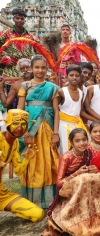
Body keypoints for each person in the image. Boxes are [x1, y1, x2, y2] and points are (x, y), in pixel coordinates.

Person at [42, 128, 100, 236]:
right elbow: (59, 183)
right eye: (77, 141)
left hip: (82, 184)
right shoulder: (66, 157)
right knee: (82, 179)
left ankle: (96, 211)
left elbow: (85, 172)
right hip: (68, 187)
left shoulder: (88, 152)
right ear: (71, 143)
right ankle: (76, 218)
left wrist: (92, 170)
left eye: (84, 140)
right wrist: (77, 173)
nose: (82, 143)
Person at [17, 55, 60, 208]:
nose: (40, 70)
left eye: (43, 67)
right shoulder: (25, 86)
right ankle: (33, 199)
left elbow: (56, 111)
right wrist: (23, 133)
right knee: (32, 160)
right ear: (31, 68)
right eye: (37, 67)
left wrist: (56, 133)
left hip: (47, 128)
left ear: (47, 69)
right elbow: (20, 111)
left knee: (49, 160)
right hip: (30, 127)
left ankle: (50, 199)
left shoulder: (53, 87)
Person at [0, 109, 43, 222]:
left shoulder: (15, 143)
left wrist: (27, 158)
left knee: (38, 214)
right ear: (7, 123)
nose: (19, 128)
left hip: (1, 194)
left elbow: (18, 171)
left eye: (23, 124)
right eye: (15, 123)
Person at [0, 8, 39, 82]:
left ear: (25, 20)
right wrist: (4, 59)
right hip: (11, 71)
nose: (19, 20)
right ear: (13, 19)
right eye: (17, 18)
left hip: (27, 71)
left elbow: (39, 51)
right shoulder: (6, 34)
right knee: (10, 92)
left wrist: (33, 61)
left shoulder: (30, 36)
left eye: (22, 19)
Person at [58, 65, 89, 155]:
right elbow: (55, 110)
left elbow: (80, 111)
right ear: (66, 77)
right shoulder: (62, 91)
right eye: (71, 75)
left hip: (77, 124)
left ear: (80, 77)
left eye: (77, 75)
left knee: (80, 149)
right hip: (63, 125)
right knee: (65, 150)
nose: (74, 78)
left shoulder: (81, 92)